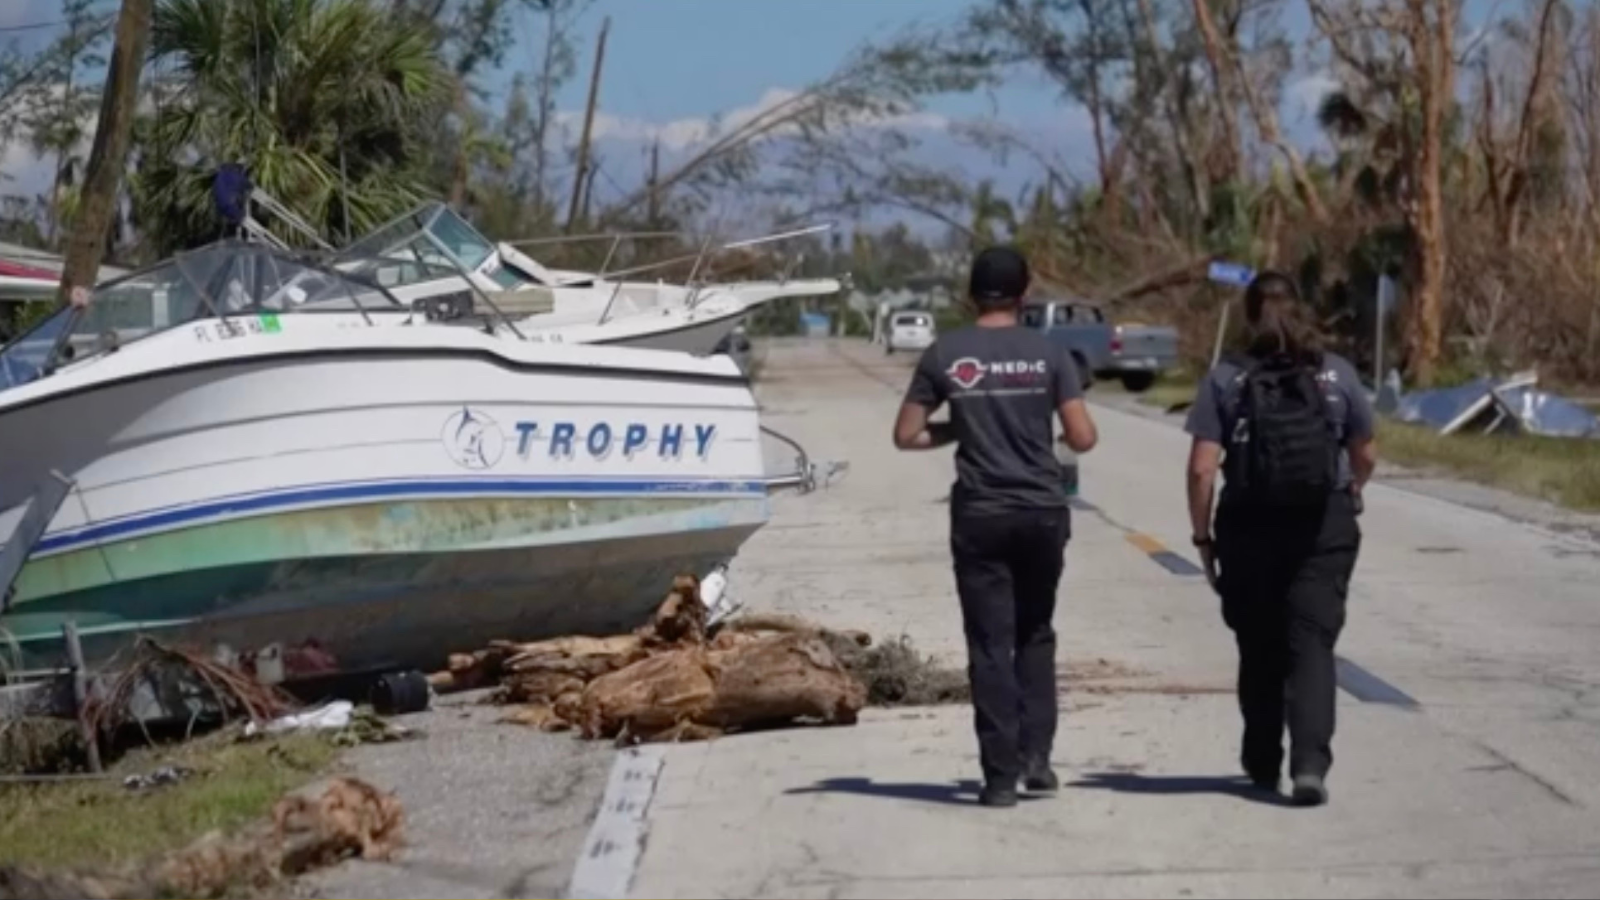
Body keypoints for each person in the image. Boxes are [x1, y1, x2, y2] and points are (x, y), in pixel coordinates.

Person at [893, 245, 1099, 808]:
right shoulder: (1049, 354)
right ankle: (1038, 759)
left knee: (989, 643)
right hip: (1040, 512)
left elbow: (907, 434)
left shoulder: (946, 353)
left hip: (980, 515)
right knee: (1036, 633)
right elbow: (1082, 439)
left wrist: (958, 429)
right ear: (1024, 295)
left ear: (970, 293)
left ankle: (999, 777)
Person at [1183, 270, 1377, 808]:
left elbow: (1202, 469)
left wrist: (1203, 539)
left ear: (1249, 315)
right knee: (1312, 644)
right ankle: (1310, 764)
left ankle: (1262, 759)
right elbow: (1366, 451)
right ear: (1303, 309)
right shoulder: (1336, 375)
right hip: (1324, 521)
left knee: (1258, 644)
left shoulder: (1227, 377)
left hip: (1248, 525)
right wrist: (1352, 490)